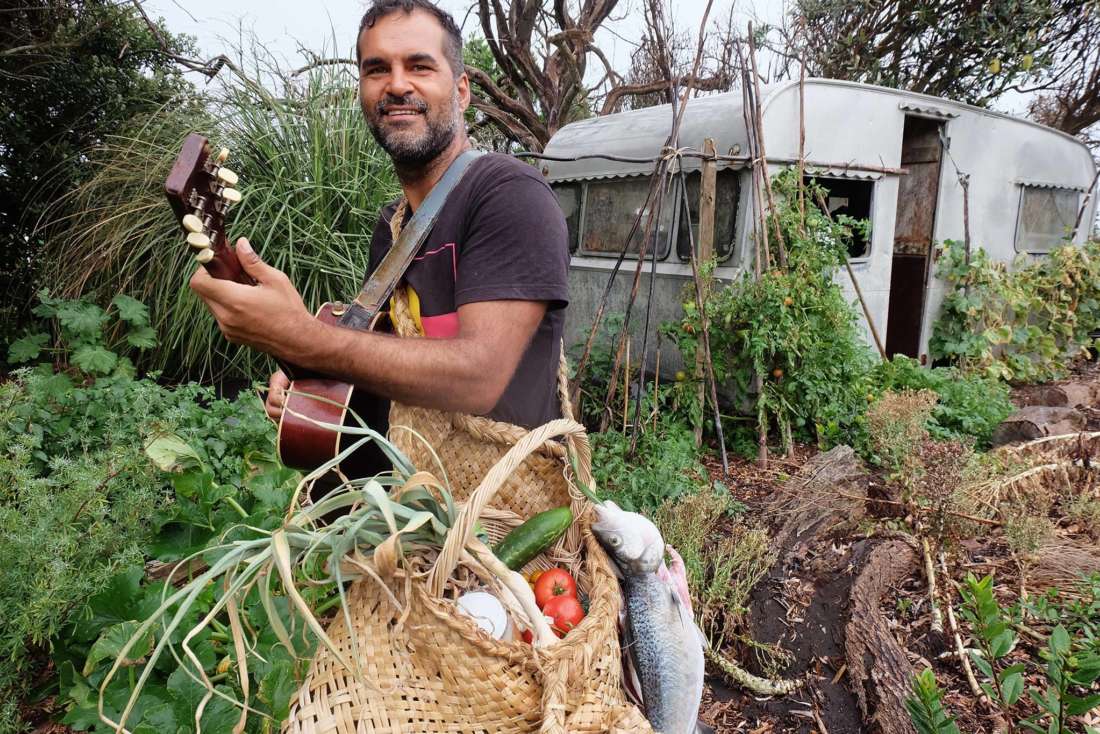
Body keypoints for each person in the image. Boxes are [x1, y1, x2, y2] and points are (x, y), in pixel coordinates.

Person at [190, 0, 570, 432]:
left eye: (420, 66)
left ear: (461, 90)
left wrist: (302, 338)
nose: (396, 85)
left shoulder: (508, 194)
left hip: (501, 494)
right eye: (376, 70)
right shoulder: (394, 226)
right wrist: (305, 368)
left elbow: (478, 379)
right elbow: (378, 354)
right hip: (407, 492)